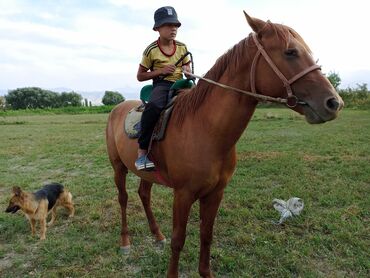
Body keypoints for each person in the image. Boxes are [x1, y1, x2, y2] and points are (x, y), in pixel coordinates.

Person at [135, 6, 192, 171]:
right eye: (168, 25)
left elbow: (187, 66)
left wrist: (188, 72)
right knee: (153, 107)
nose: (173, 28)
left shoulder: (182, 47)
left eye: (175, 25)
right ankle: (142, 152)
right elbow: (140, 76)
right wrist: (161, 71)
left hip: (182, 83)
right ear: (157, 28)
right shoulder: (150, 50)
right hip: (162, 84)